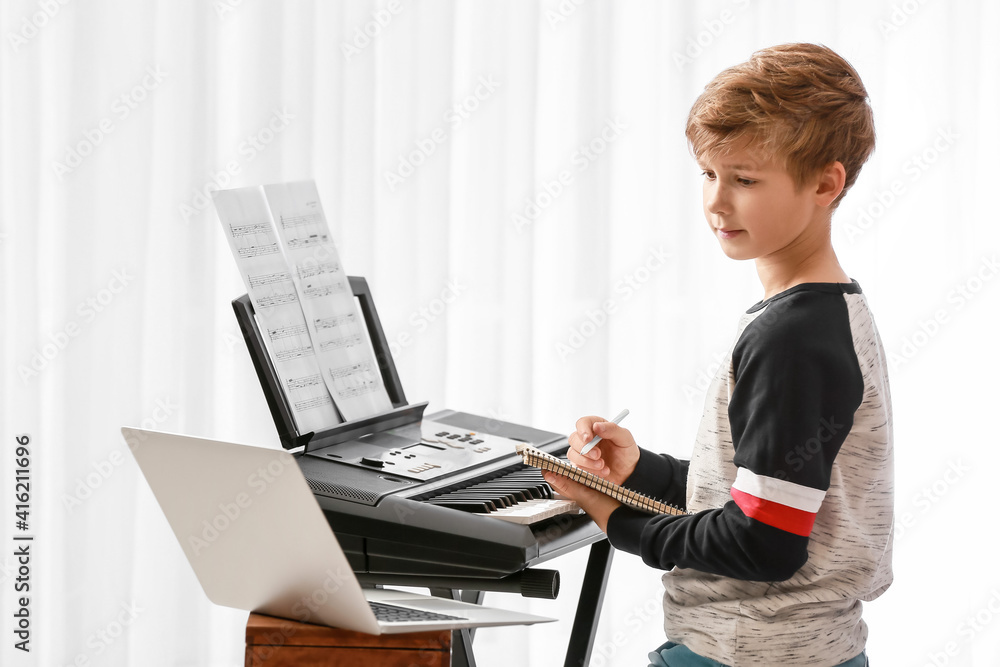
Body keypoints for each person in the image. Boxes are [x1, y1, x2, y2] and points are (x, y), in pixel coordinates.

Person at [543, 43, 892, 667]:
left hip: (746, 652)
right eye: (709, 173)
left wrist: (611, 516)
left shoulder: (789, 339)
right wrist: (640, 473)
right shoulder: (827, 311)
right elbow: (766, 498)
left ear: (825, 182)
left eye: (745, 180)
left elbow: (763, 545)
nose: (716, 201)